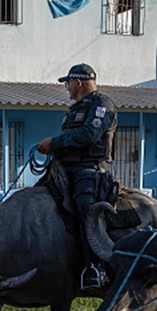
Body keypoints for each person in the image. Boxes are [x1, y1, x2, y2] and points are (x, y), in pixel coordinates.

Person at [38, 63, 117, 289]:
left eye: (68, 84)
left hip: (88, 170)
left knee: (87, 211)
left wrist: (54, 142)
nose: (67, 88)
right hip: (64, 168)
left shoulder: (102, 104)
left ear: (78, 83)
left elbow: (89, 134)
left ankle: (95, 267)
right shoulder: (75, 109)